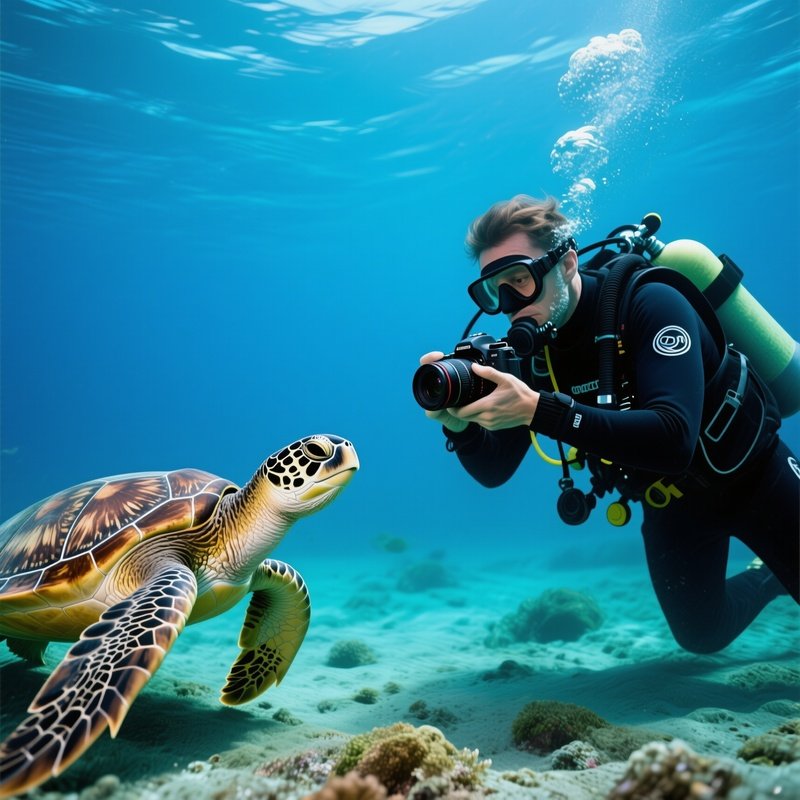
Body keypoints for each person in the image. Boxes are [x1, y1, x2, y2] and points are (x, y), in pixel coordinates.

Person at [419, 194, 799, 654]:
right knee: (702, 633)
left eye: (520, 279)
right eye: (494, 290)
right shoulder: (534, 356)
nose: (509, 304)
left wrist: (540, 410)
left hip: (755, 477)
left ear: (566, 264)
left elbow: (673, 437)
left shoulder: (651, 302)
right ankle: (770, 576)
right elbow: (495, 470)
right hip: (671, 504)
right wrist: (457, 426)